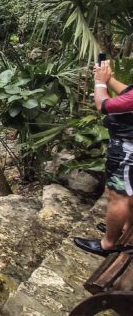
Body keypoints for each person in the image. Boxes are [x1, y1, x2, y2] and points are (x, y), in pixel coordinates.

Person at [74, 60, 133, 256]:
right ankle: (125, 230)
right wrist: (109, 79)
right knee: (128, 192)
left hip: (127, 151)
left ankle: (108, 244)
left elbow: (103, 105)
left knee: (118, 196)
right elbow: (128, 92)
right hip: (126, 148)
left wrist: (100, 83)